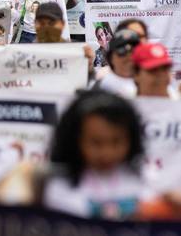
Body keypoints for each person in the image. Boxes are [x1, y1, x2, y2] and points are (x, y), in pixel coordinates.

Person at [45, 90, 149, 219]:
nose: (107, 153)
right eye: (96, 143)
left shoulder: (143, 179)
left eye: (116, 142)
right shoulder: (59, 185)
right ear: (74, 140)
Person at [93, 29, 140, 98]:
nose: (128, 55)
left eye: (132, 50)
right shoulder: (102, 82)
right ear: (111, 56)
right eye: (121, 51)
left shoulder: (146, 78)